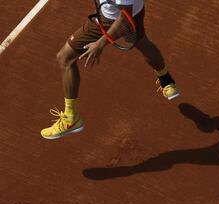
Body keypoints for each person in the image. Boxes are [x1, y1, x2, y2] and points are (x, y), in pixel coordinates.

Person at [40, 0, 180, 140]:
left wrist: (100, 43)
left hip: (118, 21)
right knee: (142, 42)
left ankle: (71, 118)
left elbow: (125, 21)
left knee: (65, 58)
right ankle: (166, 80)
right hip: (126, 13)